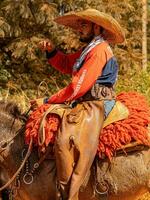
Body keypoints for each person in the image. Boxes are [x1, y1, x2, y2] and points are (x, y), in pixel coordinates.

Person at [31, 9, 125, 200]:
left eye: (83, 25)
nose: (79, 30)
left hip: (97, 104)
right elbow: (67, 64)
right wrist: (51, 51)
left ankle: (71, 193)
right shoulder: (88, 49)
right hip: (86, 102)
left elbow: (77, 87)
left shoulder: (99, 50)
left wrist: (47, 100)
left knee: (65, 139)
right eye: (79, 25)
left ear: (96, 27)